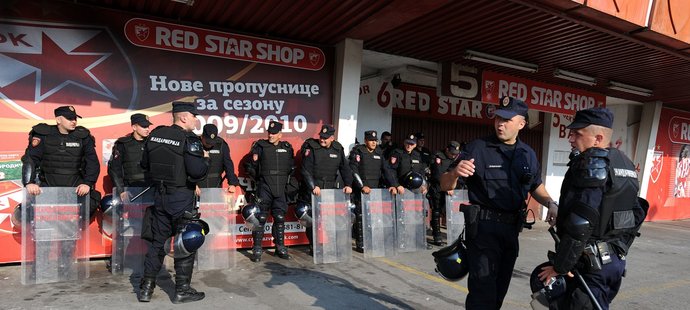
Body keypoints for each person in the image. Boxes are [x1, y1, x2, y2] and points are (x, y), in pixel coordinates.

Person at [440, 97, 558, 310]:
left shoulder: (527, 154)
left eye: (507, 120)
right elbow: (444, 183)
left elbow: (535, 186)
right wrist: (456, 173)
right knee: (482, 292)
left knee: (499, 290)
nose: (500, 124)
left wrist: (551, 203)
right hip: (484, 231)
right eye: (497, 118)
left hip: (511, 231)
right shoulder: (478, 148)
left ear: (521, 124)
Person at [537, 107, 645, 310]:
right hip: (614, 263)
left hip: (590, 266)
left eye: (577, 134)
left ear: (598, 138)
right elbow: (635, 214)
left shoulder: (591, 164)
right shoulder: (626, 165)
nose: (571, 138)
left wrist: (561, 266)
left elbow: (581, 224)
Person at [138, 102, 208, 304]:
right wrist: (205, 160)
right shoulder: (189, 139)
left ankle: (146, 288)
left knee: (157, 242)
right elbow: (197, 172)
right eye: (194, 116)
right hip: (181, 197)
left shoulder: (156, 135)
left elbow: (145, 164)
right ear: (184, 117)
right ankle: (182, 291)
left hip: (160, 196)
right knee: (186, 241)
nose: (196, 120)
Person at [21, 105, 101, 275]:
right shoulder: (43, 134)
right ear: (58, 119)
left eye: (75, 118)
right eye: (70, 118)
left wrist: (88, 183)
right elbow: (30, 159)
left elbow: (92, 163)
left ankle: (65, 265)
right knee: (44, 230)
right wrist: (29, 182)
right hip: (48, 189)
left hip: (73, 190)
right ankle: (40, 266)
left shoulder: (83, 136)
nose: (74, 121)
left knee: (68, 229)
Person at [244, 120, 295, 261]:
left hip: (281, 187)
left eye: (274, 133)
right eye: (269, 132)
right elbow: (250, 166)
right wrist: (260, 179)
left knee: (279, 218)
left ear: (280, 134)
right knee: (260, 219)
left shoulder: (287, 147)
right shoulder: (260, 146)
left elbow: (291, 167)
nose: (271, 135)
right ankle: (257, 249)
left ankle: (280, 247)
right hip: (265, 187)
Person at [299, 124, 353, 254]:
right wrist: (313, 186)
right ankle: (314, 246)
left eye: (326, 138)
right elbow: (305, 170)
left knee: (328, 220)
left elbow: (345, 168)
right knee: (313, 220)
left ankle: (327, 245)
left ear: (332, 138)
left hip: (329, 189)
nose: (322, 140)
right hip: (314, 189)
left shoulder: (338, 148)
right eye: (321, 137)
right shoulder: (312, 147)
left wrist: (348, 184)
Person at [348, 130, 397, 252]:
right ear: (365, 141)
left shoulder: (379, 153)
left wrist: (393, 185)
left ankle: (372, 240)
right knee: (360, 216)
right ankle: (361, 243)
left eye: (375, 141)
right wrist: (361, 186)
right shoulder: (358, 151)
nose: (374, 143)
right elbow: (353, 170)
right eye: (371, 140)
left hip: (374, 190)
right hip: (362, 190)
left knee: (372, 217)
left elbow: (386, 170)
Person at [108, 113, 153, 201]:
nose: (147, 129)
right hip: (131, 189)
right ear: (134, 127)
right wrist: (121, 190)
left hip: (151, 188)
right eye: (144, 126)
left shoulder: (152, 142)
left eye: (148, 126)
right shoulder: (122, 144)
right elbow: (114, 169)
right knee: (134, 214)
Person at [427, 141, 463, 246]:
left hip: (452, 190)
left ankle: (455, 236)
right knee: (436, 212)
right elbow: (437, 174)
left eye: (455, 153)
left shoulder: (457, 158)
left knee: (451, 213)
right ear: (447, 149)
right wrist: (447, 186)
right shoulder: (438, 156)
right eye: (452, 153)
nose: (453, 155)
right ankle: (437, 236)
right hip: (438, 188)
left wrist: (455, 186)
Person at [196, 124, 240, 193]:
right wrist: (193, 185)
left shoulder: (221, 144)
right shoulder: (194, 143)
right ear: (202, 137)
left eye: (212, 142)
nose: (210, 145)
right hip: (197, 187)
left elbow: (228, 164)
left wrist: (232, 183)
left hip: (215, 186)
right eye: (207, 142)